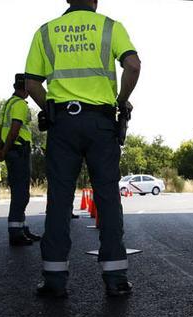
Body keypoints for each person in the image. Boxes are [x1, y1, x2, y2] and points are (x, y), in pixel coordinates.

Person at [25, 0, 141, 298]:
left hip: (63, 123)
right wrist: (120, 100)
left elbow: (32, 83)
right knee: (107, 196)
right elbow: (132, 65)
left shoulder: (46, 32)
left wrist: (49, 109)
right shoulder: (109, 27)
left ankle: (54, 278)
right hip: (101, 123)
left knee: (60, 199)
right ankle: (115, 277)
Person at [0, 74, 41, 246]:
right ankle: (16, 232)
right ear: (26, 88)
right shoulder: (20, 104)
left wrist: (0, 149)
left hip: (11, 151)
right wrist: (4, 150)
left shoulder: (9, 103)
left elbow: (2, 129)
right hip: (19, 150)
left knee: (18, 190)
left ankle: (22, 227)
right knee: (21, 193)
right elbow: (14, 130)